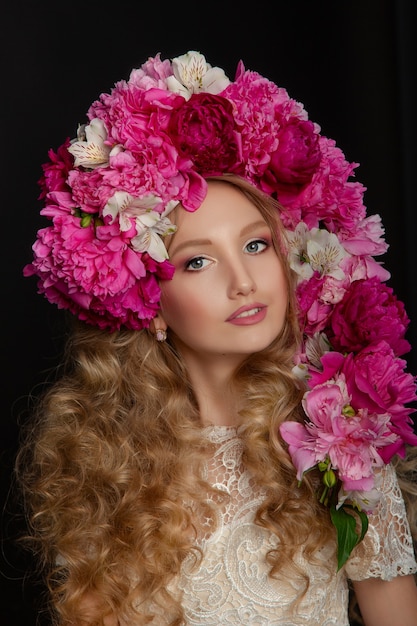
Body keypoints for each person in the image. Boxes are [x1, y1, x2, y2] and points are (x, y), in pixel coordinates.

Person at [17, 50, 417, 626]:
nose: (243, 282)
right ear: (149, 304)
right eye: (198, 262)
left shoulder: (343, 448)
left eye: (256, 246)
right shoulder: (106, 468)